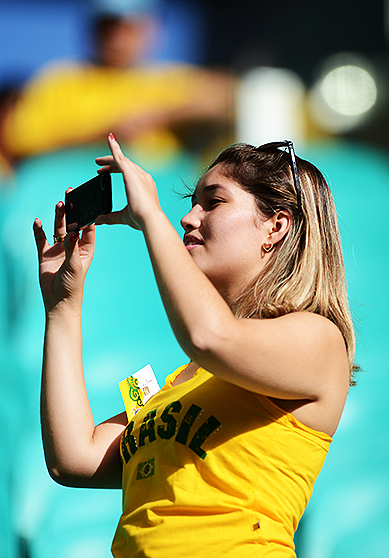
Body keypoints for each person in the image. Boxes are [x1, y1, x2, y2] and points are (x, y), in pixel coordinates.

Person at [33, 133, 357, 557]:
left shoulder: (319, 339)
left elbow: (209, 336)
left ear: (276, 225)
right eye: (191, 203)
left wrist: (150, 214)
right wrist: (61, 306)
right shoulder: (180, 379)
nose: (188, 218)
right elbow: (74, 458)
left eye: (214, 201)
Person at [1, 0, 234, 168]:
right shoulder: (60, 81)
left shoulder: (169, 80)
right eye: (109, 27)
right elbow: (19, 142)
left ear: (153, 30)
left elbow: (227, 95)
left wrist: (159, 116)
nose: (118, 38)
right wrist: (107, 134)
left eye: (130, 28)